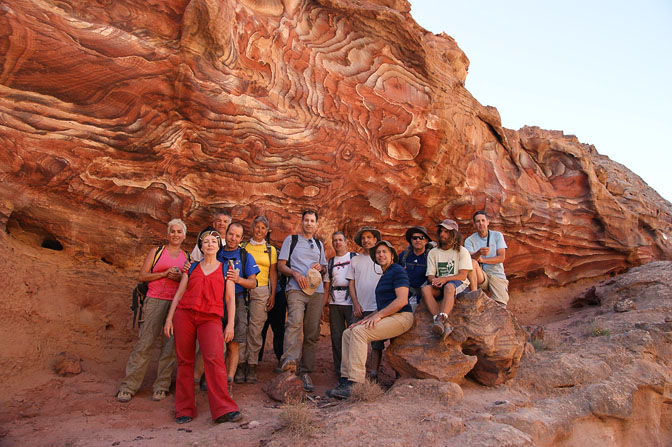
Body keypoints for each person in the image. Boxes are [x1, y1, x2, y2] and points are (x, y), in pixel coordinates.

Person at [163, 228, 241, 424]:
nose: (209, 244)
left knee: (214, 360)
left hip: (211, 318)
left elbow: (231, 299)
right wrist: (169, 318)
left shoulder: (226, 269)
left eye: (213, 241)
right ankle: (184, 409)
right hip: (185, 315)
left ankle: (223, 409)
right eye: (206, 241)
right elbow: (179, 294)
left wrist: (230, 325)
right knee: (185, 361)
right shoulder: (191, 267)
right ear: (201, 246)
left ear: (218, 246)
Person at [326, 240, 413, 399]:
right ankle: (346, 379)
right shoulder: (385, 275)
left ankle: (356, 383)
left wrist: (378, 316)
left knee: (359, 333)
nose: (381, 255)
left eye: (384, 252)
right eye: (378, 252)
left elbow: (402, 301)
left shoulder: (397, 270)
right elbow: (382, 306)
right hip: (389, 316)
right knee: (348, 332)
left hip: (402, 317)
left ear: (392, 255)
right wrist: (366, 319)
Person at [117, 219, 189, 403]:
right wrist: (164, 274)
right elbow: (143, 275)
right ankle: (129, 386)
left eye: (179, 232)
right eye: (172, 231)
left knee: (170, 346)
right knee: (145, 342)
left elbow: (189, 280)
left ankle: (161, 386)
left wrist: (180, 276)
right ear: (168, 233)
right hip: (155, 299)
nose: (175, 235)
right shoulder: (157, 253)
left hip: (175, 303)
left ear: (184, 235)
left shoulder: (186, 257)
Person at [276, 209, 327, 392]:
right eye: (306, 220)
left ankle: (305, 371)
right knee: (294, 323)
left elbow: (324, 268)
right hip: (296, 289)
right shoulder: (292, 240)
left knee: (312, 332)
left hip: (316, 291)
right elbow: (281, 265)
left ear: (316, 224)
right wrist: (295, 273)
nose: (309, 223)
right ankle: (289, 364)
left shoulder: (319, 245)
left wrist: (320, 267)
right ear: (302, 222)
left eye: (312, 221)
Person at [217, 222, 259, 386]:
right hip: (216, 301)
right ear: (225, 234)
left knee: (233, 343)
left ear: (241, 239)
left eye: (237, 236)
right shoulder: (216, 253)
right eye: (230, 234)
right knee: (214, 343)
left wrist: (237, 279)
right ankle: (213, 377)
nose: (232, 238)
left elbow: (253, 283)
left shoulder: (245, 256)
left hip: (238, 300)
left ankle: (228, 380)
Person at [237, 216, 278, 384]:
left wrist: (272, 294)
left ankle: (252, 364)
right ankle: (240, 363)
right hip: (244, 288)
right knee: (241, 325)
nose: (259, 230)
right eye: (257, 227)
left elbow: (272, 273)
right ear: (252, 228)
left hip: (261, 290)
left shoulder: (270, 250)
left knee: (256, 327)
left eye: (263, 228)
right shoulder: (243, 246)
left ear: (267, 231)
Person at [421, 219, 472, 339]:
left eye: (446, 232)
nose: (442, 234)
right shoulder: (433, 252)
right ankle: (439, 322)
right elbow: (430, 274)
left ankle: (442, 317)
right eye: (441, 231)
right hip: (441, 284)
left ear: (454, 234)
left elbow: (463, 275)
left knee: (449, 287)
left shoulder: (462, 251)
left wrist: (444, 279)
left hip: (457, 283)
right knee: (425, 290)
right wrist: (434, 281)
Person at [346, 226, 384, 380]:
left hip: (377, 308)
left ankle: (373, 373)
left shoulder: (381, 258)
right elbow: (351, 284)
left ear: (375, 240)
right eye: (363, 238)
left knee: (377, 344)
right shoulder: (355, 260)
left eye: (369, 237)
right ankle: (355, 375)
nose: (366, 240)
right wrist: (355, 303)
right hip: (359, 308)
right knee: (355, 341)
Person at [323, 231, 357, 377]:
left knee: (352, 337)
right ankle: (340, 371)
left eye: (340, 240)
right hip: (335, 303)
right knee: (336, 338)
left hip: (351, 303)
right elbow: (326, 286)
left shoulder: (354, 258)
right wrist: (322, 306)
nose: (337, 243)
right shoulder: (330, 262)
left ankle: (352, 370)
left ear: (345, 242)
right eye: (335, 240)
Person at [465, 211, 510, 306]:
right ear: (474, 224)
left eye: (483, 220)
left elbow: (501, 258)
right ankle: (474, 295)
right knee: (472, 262)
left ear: (488, 222)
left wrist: (483, 260)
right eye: (477, 221)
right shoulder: (469, 240)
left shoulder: (497, 236)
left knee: (500, 305)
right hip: (481, 275)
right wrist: (479, 253)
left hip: (496, 274)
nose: (481, 223)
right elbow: (469, 258)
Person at [398, 226, 432, 312]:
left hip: (422, 299)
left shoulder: (430, 257)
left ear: (426, 240)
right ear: (411, 240)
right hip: (402, 297)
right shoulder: (403, 256)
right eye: (414, 238)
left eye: (421, 238)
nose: (418, 240)